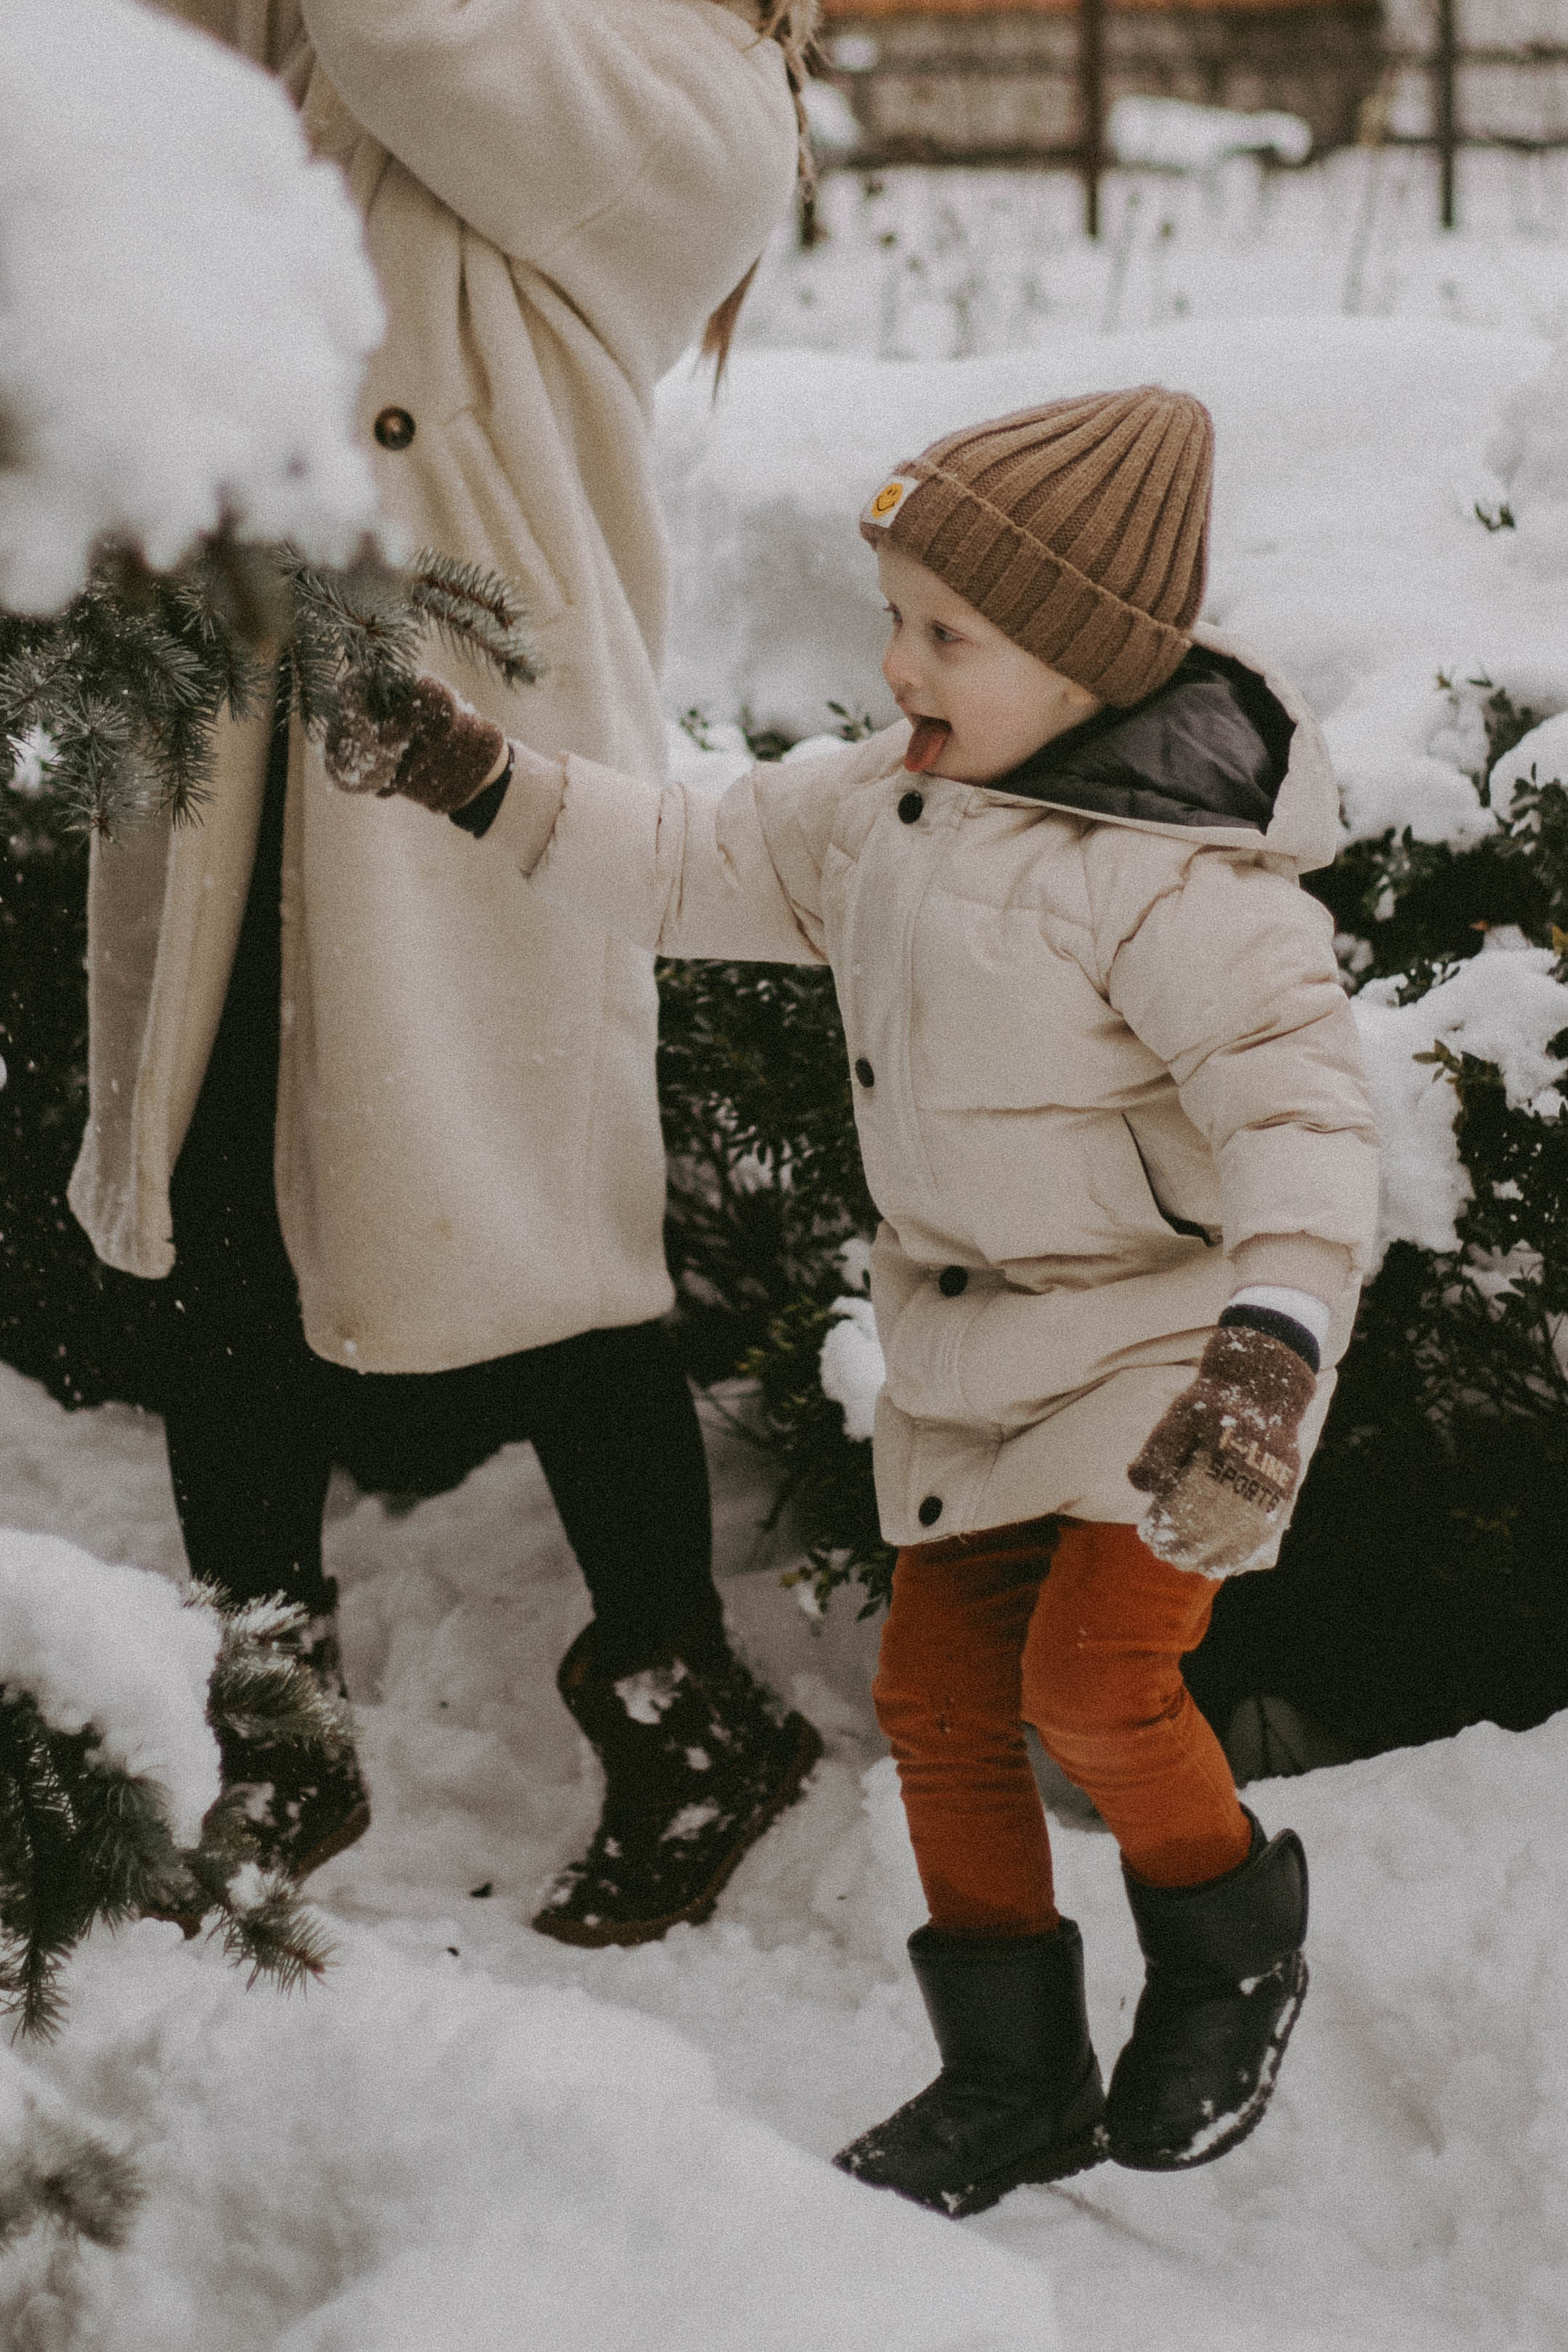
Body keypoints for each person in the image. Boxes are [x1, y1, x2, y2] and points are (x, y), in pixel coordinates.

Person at [333, 387, 1382, 2205]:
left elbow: (1302, 1124)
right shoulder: (877, 817)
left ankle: (1226, 1937)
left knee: (1093, 1676)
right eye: (889, 612)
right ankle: (1009, 2076)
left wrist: (1268, 1348)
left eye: (945, 630)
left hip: (1172, 1358)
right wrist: (483, 779)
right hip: (969, 1351)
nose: (894, 660)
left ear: (1079, 658)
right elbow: (675, 860)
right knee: (935, 1699)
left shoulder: (1183, 892)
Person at [68, 0, 825, 1940]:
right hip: (238, 705)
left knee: (550, 1241)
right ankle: (271, 1704)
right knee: (229, 1200)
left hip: (479, 740)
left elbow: (417, 42)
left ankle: (684, 1698)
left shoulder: (697, 93)